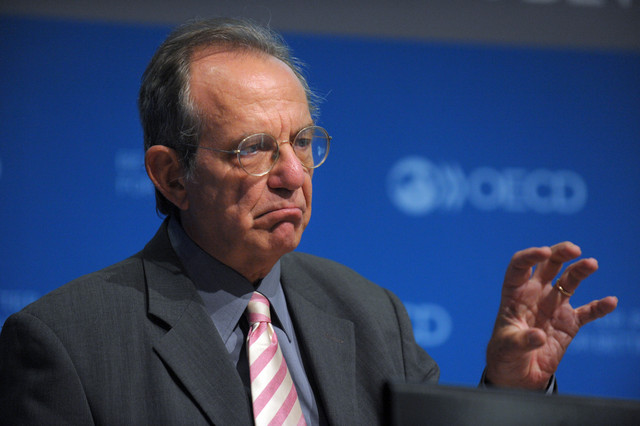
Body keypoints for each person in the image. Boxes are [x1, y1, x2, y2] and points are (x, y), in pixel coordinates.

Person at [0, 17, 618, 425]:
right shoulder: (66, 345)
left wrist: (510, 392)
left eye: (300, 141)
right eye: (253, 148)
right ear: (172, 176)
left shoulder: (371, 314)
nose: (293, 174)